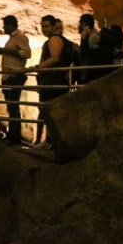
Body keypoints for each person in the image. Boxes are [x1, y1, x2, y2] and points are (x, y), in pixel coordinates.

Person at [29, 15, 74, 146]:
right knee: (51, 111)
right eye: (42, 26)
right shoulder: (61, 40)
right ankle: (51, 140)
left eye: (46, 26)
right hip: (55, 81)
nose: (44, 29)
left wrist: (37, 67)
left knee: (47, 111)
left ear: (53, 27)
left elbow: (54, 58)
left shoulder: (54, 39)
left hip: (53, 81)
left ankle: (50, 141)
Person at [0, 15, 31, 145]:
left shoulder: (20, 37)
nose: (3, 27)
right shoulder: (11, 38)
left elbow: (27, 54)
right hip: (8, 76)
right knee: (11, 107)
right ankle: (12, 135)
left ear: (11, 25)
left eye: (5, 25)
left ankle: (15, 138)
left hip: (14, 76)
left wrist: (9, 51)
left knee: (13, 106)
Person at [77, 13, 117, 83]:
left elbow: (86, 54)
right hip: (101, 73)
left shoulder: (92, 37)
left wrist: (83, 40)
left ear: (84, 24)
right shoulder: (94, 35)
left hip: (97, 74)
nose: (78, 26)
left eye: (80, 23)